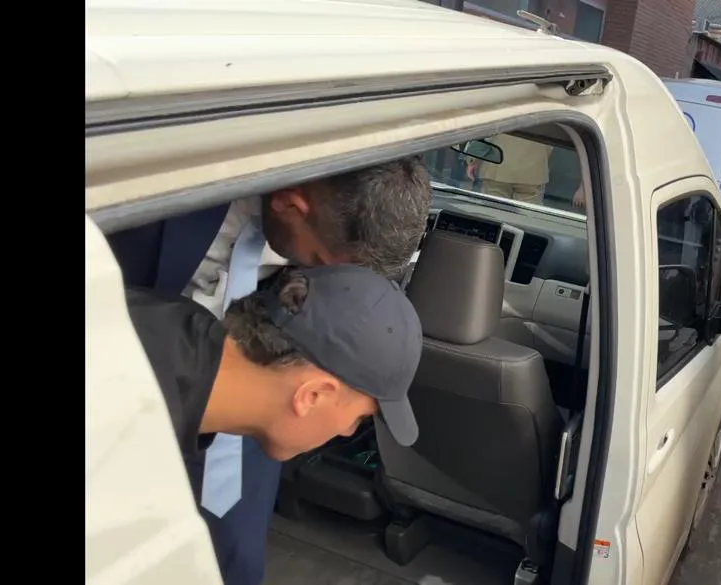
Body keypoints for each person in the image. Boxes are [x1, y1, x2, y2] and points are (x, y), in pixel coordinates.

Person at [112, 157, 433, 585]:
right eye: (357, 418)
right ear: (289, 205)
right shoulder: (111, 385)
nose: (345, 434)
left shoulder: (358, 222)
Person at [126, 265, 423, 505]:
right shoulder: (130, 436)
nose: (348, 431)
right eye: (359, 417)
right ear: (314, 395)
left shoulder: (170, 318)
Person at [466, 133, 554, 204]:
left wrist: (472, 159)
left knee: (494, 211)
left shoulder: (505, 110)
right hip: (533, 171)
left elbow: (486, 130)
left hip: (498, 167)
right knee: (528, 215)